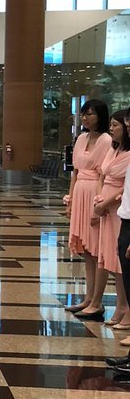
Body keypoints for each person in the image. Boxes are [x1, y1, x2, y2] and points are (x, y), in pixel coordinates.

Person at [64, 99, 112, 318]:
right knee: (86, 251)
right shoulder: (81, 138)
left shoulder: (106, 140)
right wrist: (70, 200)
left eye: (90, 114)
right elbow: (74, 172)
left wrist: (98, 205)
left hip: (94, 192)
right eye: (83, 114)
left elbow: (104, 174)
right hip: (81, 190)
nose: (85, 118)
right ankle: (88, 297)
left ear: (100, 116)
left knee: (97, 249)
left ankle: (97, 300)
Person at [89, 110, 130, 329]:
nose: (112, 129)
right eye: (112, 125)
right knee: (112, 259)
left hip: (118, 209)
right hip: (105, 206)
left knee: (121, 260)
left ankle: (124, 306)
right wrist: (99, 199)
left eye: (116, 125)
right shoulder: (113, 150)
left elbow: (126, 187)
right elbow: (102, 175)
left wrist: (106, 203)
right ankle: (120, 304)